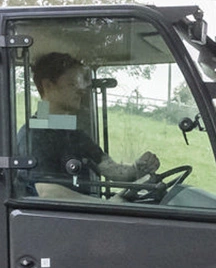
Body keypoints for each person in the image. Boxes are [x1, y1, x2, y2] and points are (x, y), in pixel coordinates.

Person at [26, 51, 159, 185]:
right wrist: (109, 203)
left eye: (81, 83)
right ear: (48, 86)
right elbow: (48, 193)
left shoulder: (73, 134)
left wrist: (138, 168)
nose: (82, 90)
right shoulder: (34, 136)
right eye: (72, 84)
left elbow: (109, 168)